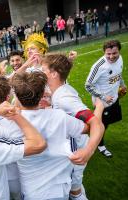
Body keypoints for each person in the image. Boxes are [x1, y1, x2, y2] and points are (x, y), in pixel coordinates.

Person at [0, 71, 100, 199]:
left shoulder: (7, 124)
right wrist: (99, 108)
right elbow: (89, 127)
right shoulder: (60, 117)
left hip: (32, 191)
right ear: (43, 94)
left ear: (16, 96)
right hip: (60, 189)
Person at [40, 53, 105, 200]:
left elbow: (96, 124)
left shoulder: (64, 99)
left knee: (74, 192)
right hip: (72, 149)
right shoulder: (60, 90)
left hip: (76, 153)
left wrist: (88, 150)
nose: (40, 72)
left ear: (54, 74)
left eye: (43, 70)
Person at [85, 40, 127, 157]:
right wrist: (103, 96)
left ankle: (94, 137)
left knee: (107, 123)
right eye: (108, 54)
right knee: (100, 125)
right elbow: (87, 85)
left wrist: (122, 84)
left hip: (114, 97)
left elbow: (119, 73)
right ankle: (100, 145)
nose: (111, 56)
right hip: (102, 102)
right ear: (104, 52)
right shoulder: (99, 66)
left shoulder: (120, 59)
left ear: (119, 51)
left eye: (114, 53)